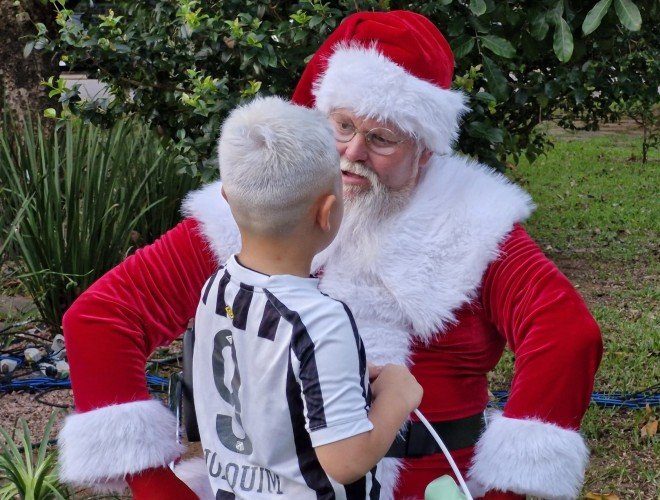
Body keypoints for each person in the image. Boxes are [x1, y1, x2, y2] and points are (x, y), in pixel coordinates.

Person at [58, 10, 603, 500]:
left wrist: (506, 489)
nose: (352, 154)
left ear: (426, 147)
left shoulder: (474, 223)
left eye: (382, 138)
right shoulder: (264, 204)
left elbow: (566, 336)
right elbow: (101, 319)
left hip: (432, 486)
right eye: (342, 126)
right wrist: (160, 490)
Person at [191, 96, 422, 498]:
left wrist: (332, 374)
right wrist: (399, 397)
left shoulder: (218, 288)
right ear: (328, 212)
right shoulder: (320, 320)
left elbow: (264, 380)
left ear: (227, 199)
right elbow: (346, 460)